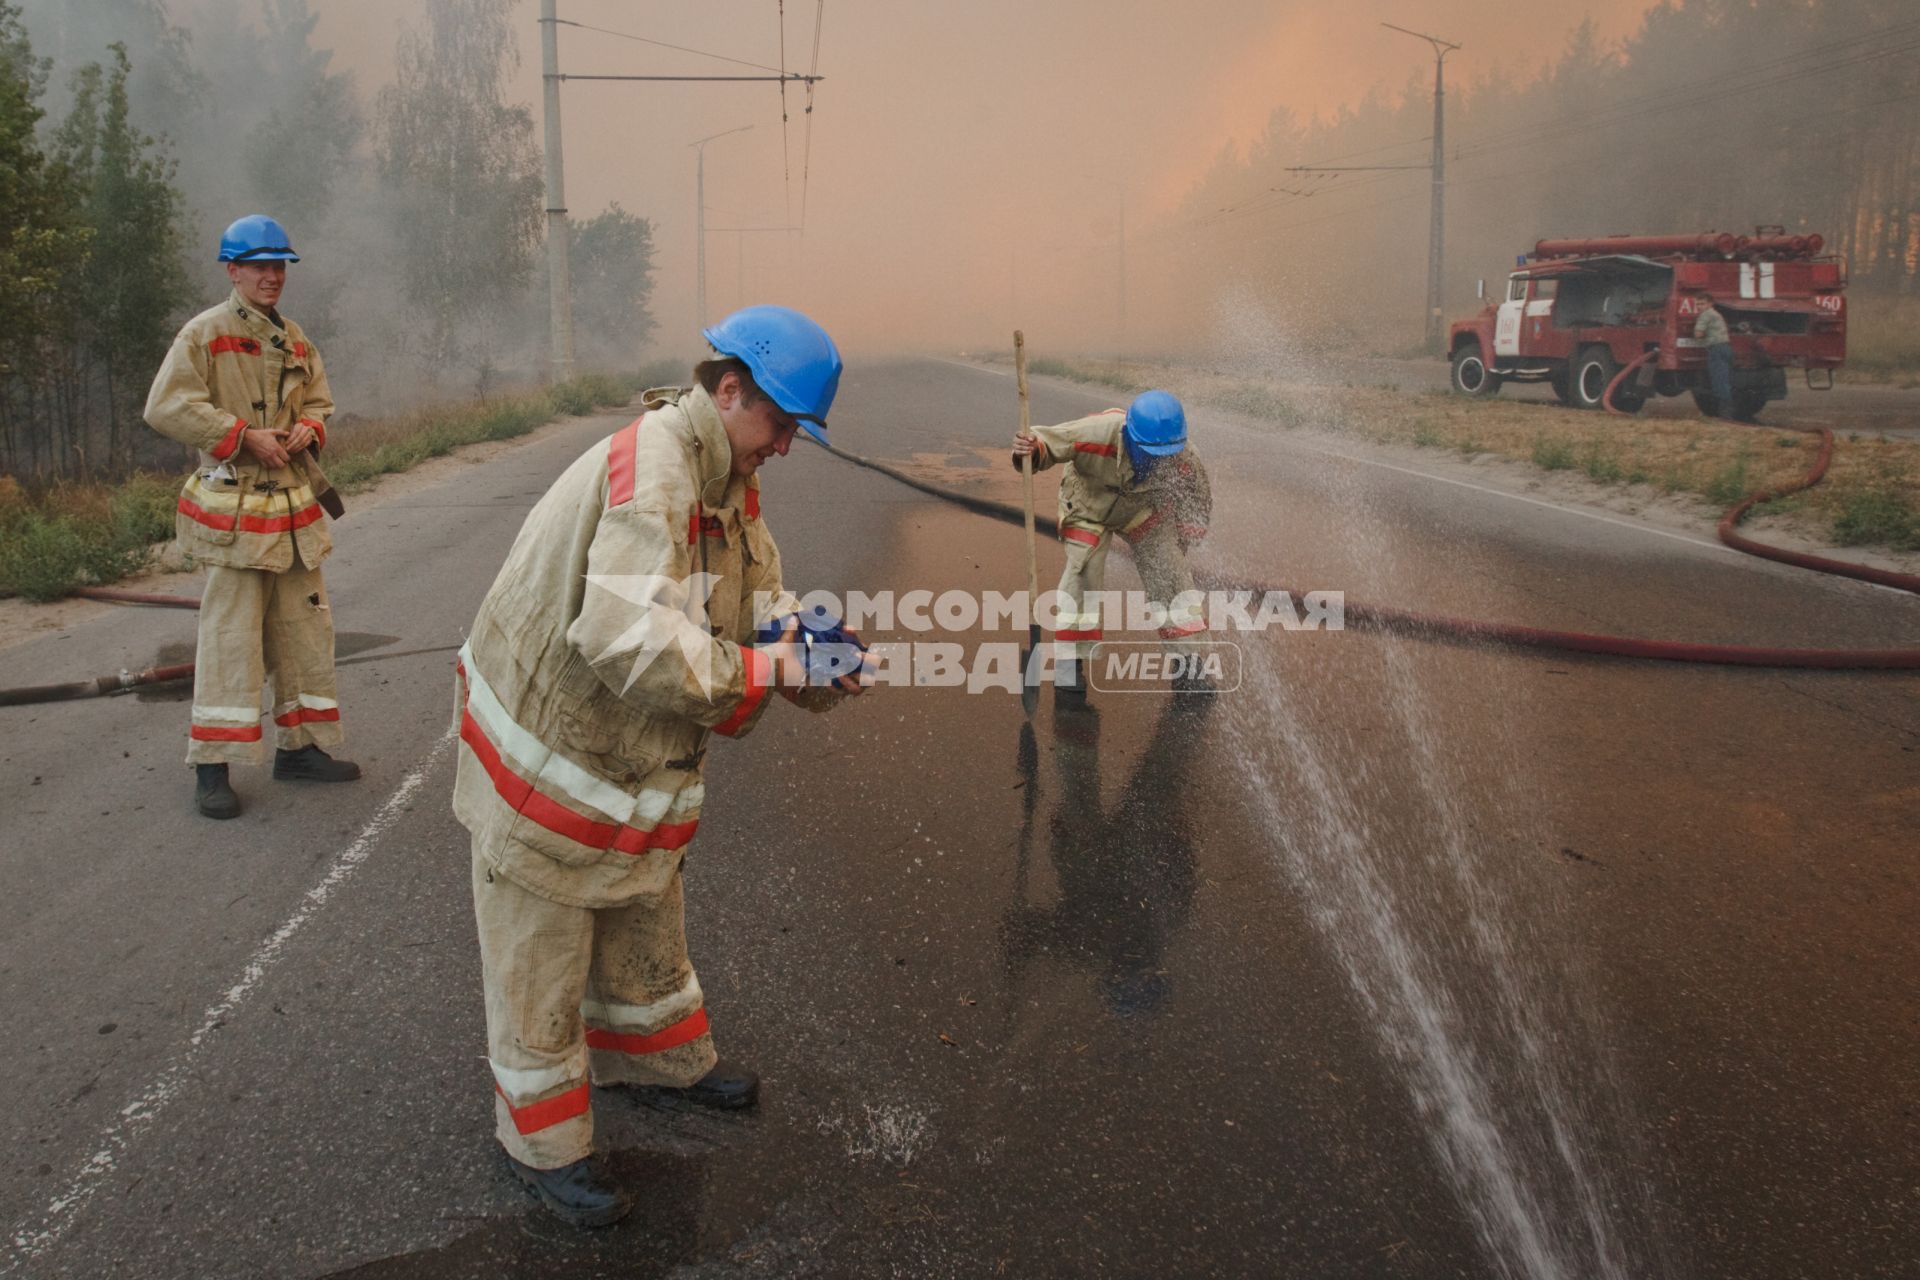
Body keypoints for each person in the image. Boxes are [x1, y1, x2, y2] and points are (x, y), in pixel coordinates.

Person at [453, 305, 866, 1227]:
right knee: (543, 952)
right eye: (781, 423)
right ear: (729, 391)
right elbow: (625, 638)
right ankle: (543, 1145)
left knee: (642, 906)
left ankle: (655, 1063)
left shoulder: (724, 474)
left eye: (798, 428)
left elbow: (756, 591)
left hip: (621, 754)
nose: (788, 446)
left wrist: (811, 647)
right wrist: (769, 669)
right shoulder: (658, 475)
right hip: (549, 753)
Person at [144, 214, 360, 820]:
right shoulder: (204, 334)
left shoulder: (295, 338)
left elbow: (319, 401)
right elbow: (166, 406)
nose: (271, 276)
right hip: (238, 517)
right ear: (232, 271)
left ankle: (300, 749)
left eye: (279, 266)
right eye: (259, 266)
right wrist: (241, 436)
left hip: (293, 516)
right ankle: (211, 768)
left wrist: (307, 429)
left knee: (303, 632)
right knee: (230, 640)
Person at [1011, 390, 1213, 699]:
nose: (1159, 459)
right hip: (1088, 507)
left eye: (1167, 453)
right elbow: (1047, 441)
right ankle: (1069, 664)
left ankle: (1187, 663)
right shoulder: (1095, 434)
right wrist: (1031, 449)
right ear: (1129, 435)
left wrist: (1185, 537)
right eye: (1149, 451)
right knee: (1085, 569)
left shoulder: (1184, 455)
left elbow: (1197, 499)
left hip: (1142, 512)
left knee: (1171, 573)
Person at [1694, 290, 1734, 417]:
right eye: (1698, 304)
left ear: (1710, 304)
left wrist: (1698, 338)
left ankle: (1725, 411)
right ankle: (1727, 408)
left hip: (1716, 349)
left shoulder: (1706, 315)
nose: (1700, 307)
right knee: (1724, 378)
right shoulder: (1717, 314)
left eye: (1702, 304)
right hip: (1725, 348)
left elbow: (1698, 334)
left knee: (1719, 380)